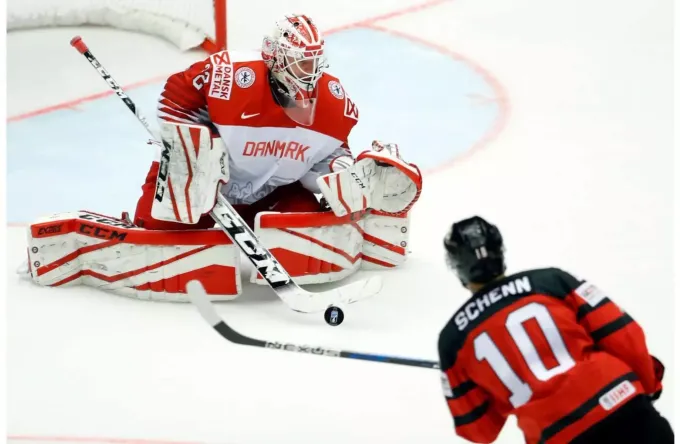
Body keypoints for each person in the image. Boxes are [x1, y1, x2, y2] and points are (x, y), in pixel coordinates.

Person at [22, 14, 422, 301]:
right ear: (278, 58)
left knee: (306, 214)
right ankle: (102, 240)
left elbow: (333, 151)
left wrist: (342, 173)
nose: (311, 72)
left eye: (315, 61)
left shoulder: (333, 101)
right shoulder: (234, 74)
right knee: (159, 226)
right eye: (302, 61)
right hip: (206, 190)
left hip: (269, 196)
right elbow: (177, 95)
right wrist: (192, 151)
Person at [438, 216, 673, 444]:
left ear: (457, 267)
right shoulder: (552, 281)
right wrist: (649, 385)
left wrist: (498, 389)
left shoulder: (453, 340)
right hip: (625, 408)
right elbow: (624, 335)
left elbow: (478, 431)